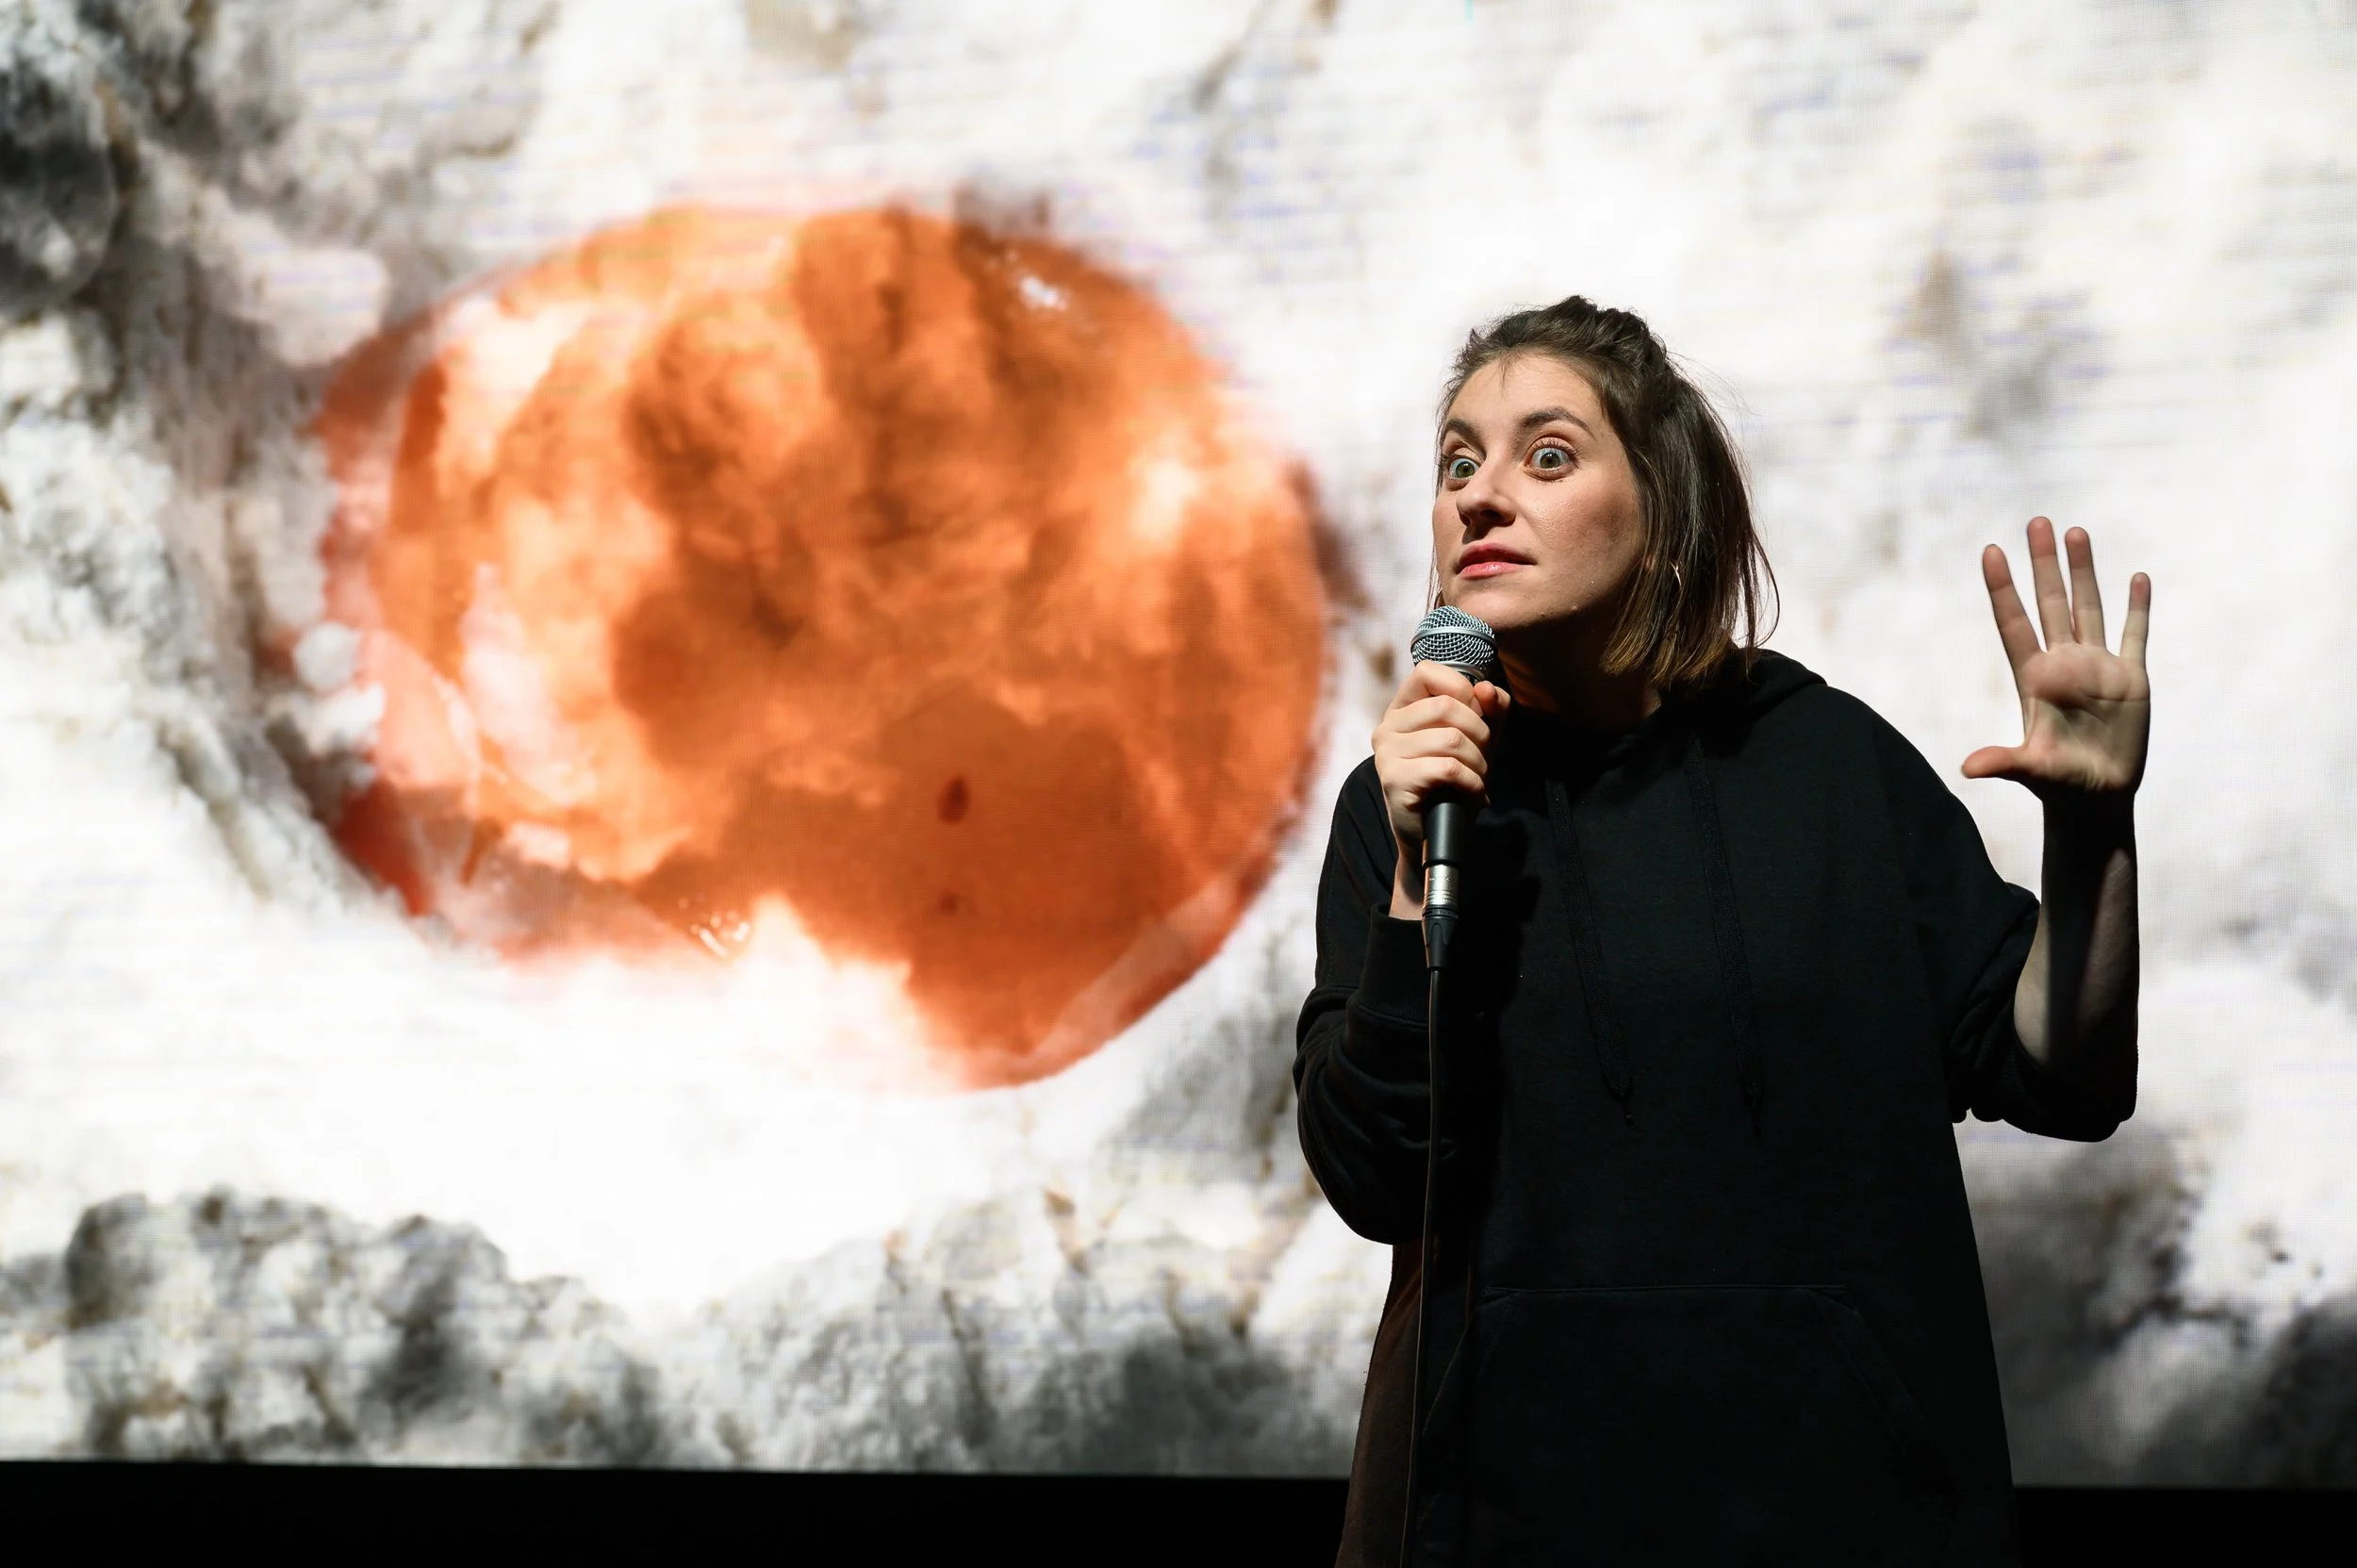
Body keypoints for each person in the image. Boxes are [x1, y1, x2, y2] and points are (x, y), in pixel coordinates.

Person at [1294, 296, 2149, 1565]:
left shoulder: (1830, 763)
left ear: (1668, 514)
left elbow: (2063, 1073)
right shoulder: (1412, 799)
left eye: (1547, 454)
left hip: (1844, 1519)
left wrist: (2092, 831)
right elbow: (1371, 1177)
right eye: (1457, 462)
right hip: (1517, 1522)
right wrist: (1422, 874)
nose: (1479, 496)